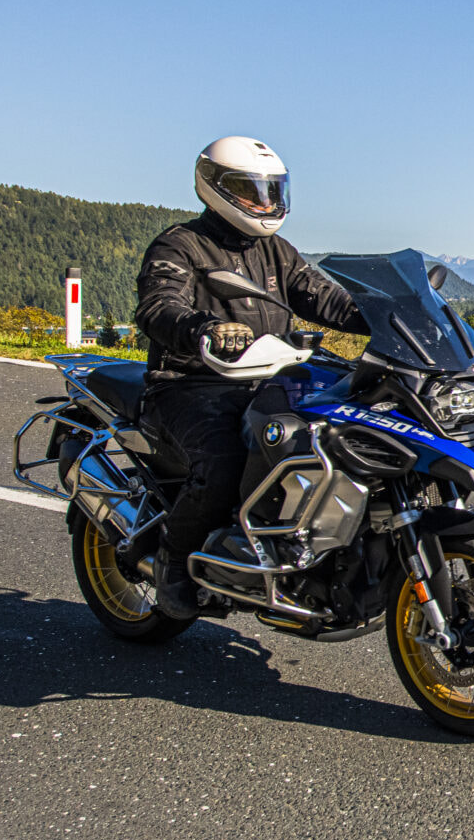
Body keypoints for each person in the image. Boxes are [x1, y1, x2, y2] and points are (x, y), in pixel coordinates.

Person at [135, 136, 368, 619]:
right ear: (214, 187)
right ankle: (173, 564)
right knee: (222, 461)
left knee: (343, 433)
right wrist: (203, 328)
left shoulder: (276, 250)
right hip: (190, 384)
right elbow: (158, 305)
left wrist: (379, 314)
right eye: (251, 191)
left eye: (269, 191)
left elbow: (322, 297)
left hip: (270, 381)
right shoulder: (179, 245)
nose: (264, 203)